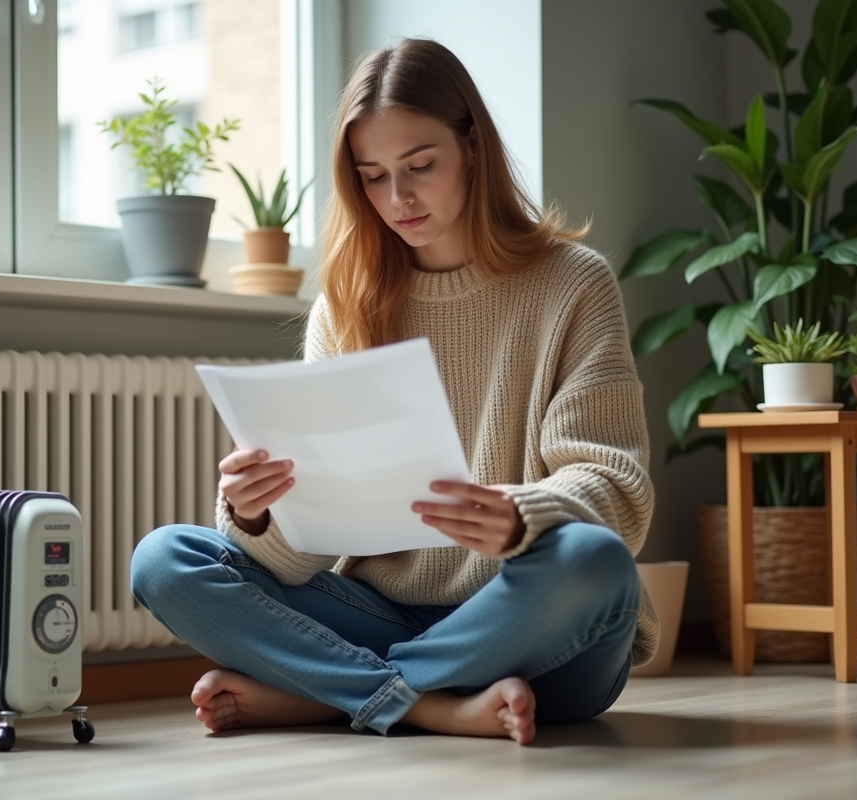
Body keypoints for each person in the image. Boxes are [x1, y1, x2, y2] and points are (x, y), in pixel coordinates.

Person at [130, 37, 656, 745]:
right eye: (373, 176)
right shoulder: (346, 303)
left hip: (535, 629)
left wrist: (522, 517)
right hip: (380, 613)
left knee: (594, 561)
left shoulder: (574, 284)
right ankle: (428, 705)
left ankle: (329, 694)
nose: (398, 198)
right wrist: (259, 517)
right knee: (164, 560)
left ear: (472, 146)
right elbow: (299, 559)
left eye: (420, 166)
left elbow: (618, 488)